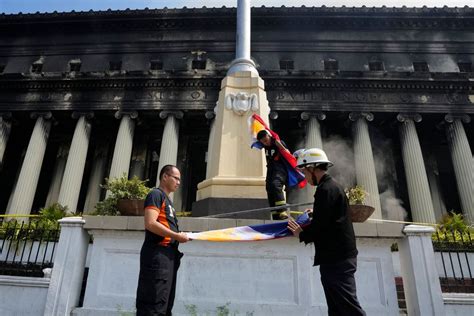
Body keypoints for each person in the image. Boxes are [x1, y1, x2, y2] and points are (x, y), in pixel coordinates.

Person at [287, 148, 365, 316]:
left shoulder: (325, 189)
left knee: (349, 308)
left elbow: (321, 226)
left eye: (304, 171)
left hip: (337, 259)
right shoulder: (332, 187)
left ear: (312, 168)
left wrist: (301, 233)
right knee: (336, 308)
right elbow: (330, 218)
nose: (305, 177)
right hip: (337, 257)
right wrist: (316, 213)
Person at [136, 164, 190, 316]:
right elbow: (151, 223)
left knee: (164, 304)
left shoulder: (169, 202)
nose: (178, 182)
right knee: (153, 303)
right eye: (176, 178)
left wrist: (180, 235)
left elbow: (167, 226)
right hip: (157, 255)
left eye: (180, 179)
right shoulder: (155, 194)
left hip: (168, 256)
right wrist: (176, 236)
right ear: (165, 177)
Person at [257, 129, 290, 220]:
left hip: (280, 169)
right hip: (271, 169)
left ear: (269, 136)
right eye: (263, 142)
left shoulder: (278, 143)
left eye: (266, 140)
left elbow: (287, 152)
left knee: (275, 185)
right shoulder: (265, 146)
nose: (265, 143)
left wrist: (277, 142)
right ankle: (275, 213)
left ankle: (282, 210)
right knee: (269, 187)